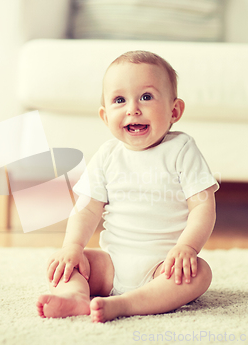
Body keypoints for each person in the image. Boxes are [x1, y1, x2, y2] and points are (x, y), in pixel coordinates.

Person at [37, 50, 219, 323]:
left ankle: (126, 305)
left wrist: (187, 248)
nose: (132, 108)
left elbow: (203, 207)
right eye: (119, 100)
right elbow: (87, 208)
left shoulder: (182, 149)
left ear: (174, 110)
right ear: (105, 115)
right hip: (112, 264)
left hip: (164, 266)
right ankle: (75, 296)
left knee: (200, 274)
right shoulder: (108, 155)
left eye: (146, 97)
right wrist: (72, 246)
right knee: (65, 264)